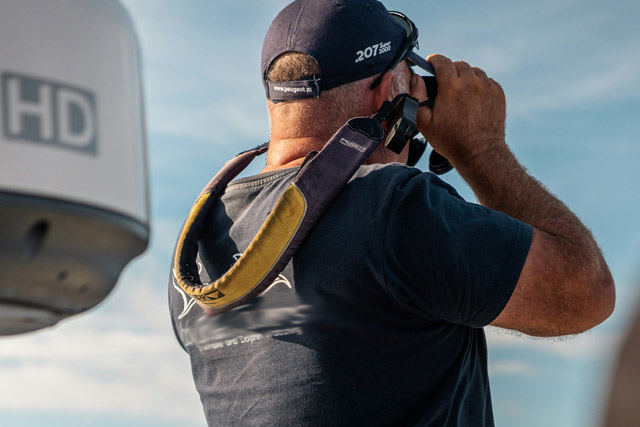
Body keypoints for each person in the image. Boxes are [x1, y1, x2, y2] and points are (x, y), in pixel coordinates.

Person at [169, 1, 615, 425]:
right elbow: (584, 293)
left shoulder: (199, 250)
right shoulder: (390, 206)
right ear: (389, 89)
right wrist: (481, 149)